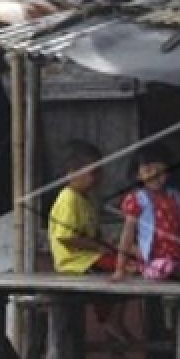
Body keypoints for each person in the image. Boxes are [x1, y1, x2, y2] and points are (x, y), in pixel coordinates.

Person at [47, 141, 132, 339]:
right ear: (71, 173)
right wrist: (98, 247)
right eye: (91, 173)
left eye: (99, 173)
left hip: (90, 255)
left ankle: (110, 318)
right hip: (76, 261)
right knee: (124, 268)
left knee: (125, 264)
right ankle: (111, 320)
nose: (96, 179)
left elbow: (94, 232)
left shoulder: (86, 199)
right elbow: (66, 237)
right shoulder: (68, 199)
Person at [114, 143, 180, 280]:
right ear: (137, 174)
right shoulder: (136, 199)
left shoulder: (176, 197)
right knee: (165, 267)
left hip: (179, 255)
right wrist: (119, 269)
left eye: (160, 172)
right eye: (148, 171)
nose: (154, 176)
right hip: (154, 260)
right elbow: (127, 235)